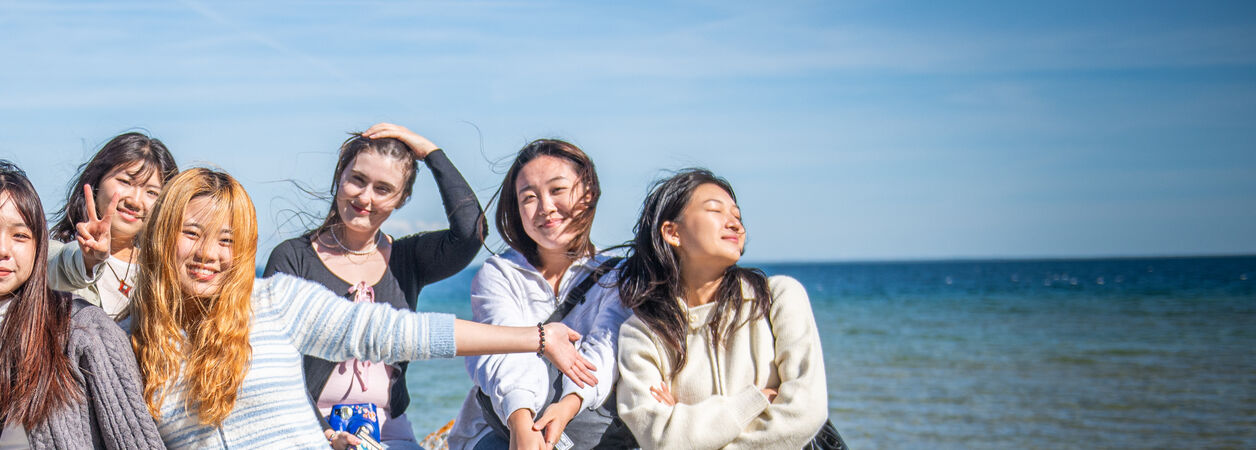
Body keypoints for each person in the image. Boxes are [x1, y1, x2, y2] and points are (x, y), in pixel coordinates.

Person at [127, 167, 598, 450]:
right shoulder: (134, 340)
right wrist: (88, 264)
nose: (208, 254)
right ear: (163, 234)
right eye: (192, 233)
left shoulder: (273, 302)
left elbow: (399, 333)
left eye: (226, 240)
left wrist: (536, 337)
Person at [263, 123, 486, 450]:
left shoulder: (407, 259)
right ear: (340, 176)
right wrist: (326, 434)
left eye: (383, 189)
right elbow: (274, 363)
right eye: (357, 180)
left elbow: (471, 232)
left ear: (402, 198)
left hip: (388, 432)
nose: (365, 197)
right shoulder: (293, 258)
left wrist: (429, 152)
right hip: (306, 430)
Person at [0, 161, 164, 450]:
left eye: (20, 235)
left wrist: (88, 260)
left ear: (38, 247)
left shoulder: (83, 331)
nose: (1, 250)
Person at [612, 169, 828, 449]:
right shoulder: (643, 332)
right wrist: (756, 400)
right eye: (715, 210)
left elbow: (805, 412)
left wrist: (689, 427)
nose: (735, 224)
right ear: (673, 232)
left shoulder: (778, 297)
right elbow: (660, 437)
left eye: (738, 216)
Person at [448, 139, 631, 450]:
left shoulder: (618, 275)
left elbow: (605, 350)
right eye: (529, 198)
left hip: (584, 429)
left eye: (557, 190)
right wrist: (522, 424)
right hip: (502, 428)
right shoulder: (500, 273)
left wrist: (568, 405)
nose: (546, 207)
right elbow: (504, 353)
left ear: (588, 194)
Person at [49, 132, 178, 322]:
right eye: (125, 182)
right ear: (97, 180)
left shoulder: (165, 272)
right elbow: (61, 264)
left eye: (151, 192)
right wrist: (87, 261)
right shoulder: (53, 255)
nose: (135, 201)